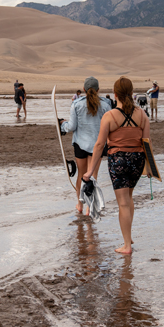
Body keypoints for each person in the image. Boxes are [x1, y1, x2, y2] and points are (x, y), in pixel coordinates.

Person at [86, 77, 150, 255]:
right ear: (131, 93)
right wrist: (150, 167)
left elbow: (99, 145)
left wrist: (90, 171)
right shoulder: (142, 115)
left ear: (115, 94)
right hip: (137, 160)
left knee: (123, 203)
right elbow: (147, 143)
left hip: (119, 160)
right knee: (129, 198)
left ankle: (127, 246)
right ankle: (128, 237)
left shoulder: (110, 116)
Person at [62, 77, 114, 215]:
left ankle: (79, 204)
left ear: (84, 89)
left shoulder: (76, 104)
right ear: (98, 90)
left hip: (80, 144)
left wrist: (63, 125)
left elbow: (72, 126)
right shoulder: (106, 105)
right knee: (92, 177)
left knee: (81, 175)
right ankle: (88, 208)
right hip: (98, 145)